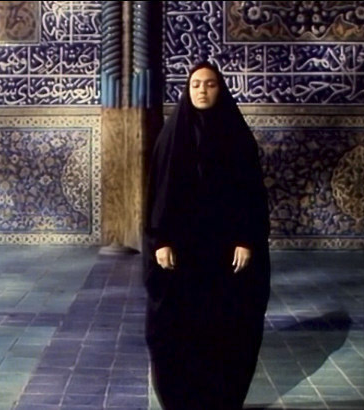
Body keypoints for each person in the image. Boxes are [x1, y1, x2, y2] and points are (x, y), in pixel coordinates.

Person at [143, 61, 271, 410]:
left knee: (226, 325)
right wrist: (161, 240)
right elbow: (159, 193)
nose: (202, 90)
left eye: (210, 84)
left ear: (220, 89)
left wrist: (246, 239)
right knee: (177, 327)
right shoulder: (172, 136)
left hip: (225, 253)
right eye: (196, 84)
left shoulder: (237, 136)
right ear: (188, 90)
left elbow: (250, 193)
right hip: (182, 253)